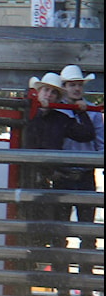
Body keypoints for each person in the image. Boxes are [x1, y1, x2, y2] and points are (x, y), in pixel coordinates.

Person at [22, 72, 96, 288]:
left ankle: (83, 283)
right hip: (45, 180)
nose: (50, 94)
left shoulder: (61, 117)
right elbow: (28, 142)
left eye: (54, 92)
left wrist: (82, 113)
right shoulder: (30, 112)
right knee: (54, 232)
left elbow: (86, 134)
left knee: (77, 230)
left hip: (59, 178)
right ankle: (60, 283)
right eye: (47, 90)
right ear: (39, 92)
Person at [55, 65, 103, 282]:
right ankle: (63, 282)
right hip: (64, 175)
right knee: (61, 231)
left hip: (83, 174)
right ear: (64, 88)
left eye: (78, 85)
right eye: (72, 85)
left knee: (86, 231)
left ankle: (83, 281)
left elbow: (101, 143)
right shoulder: (58, 111)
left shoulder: (92, 112)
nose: (76, 89)